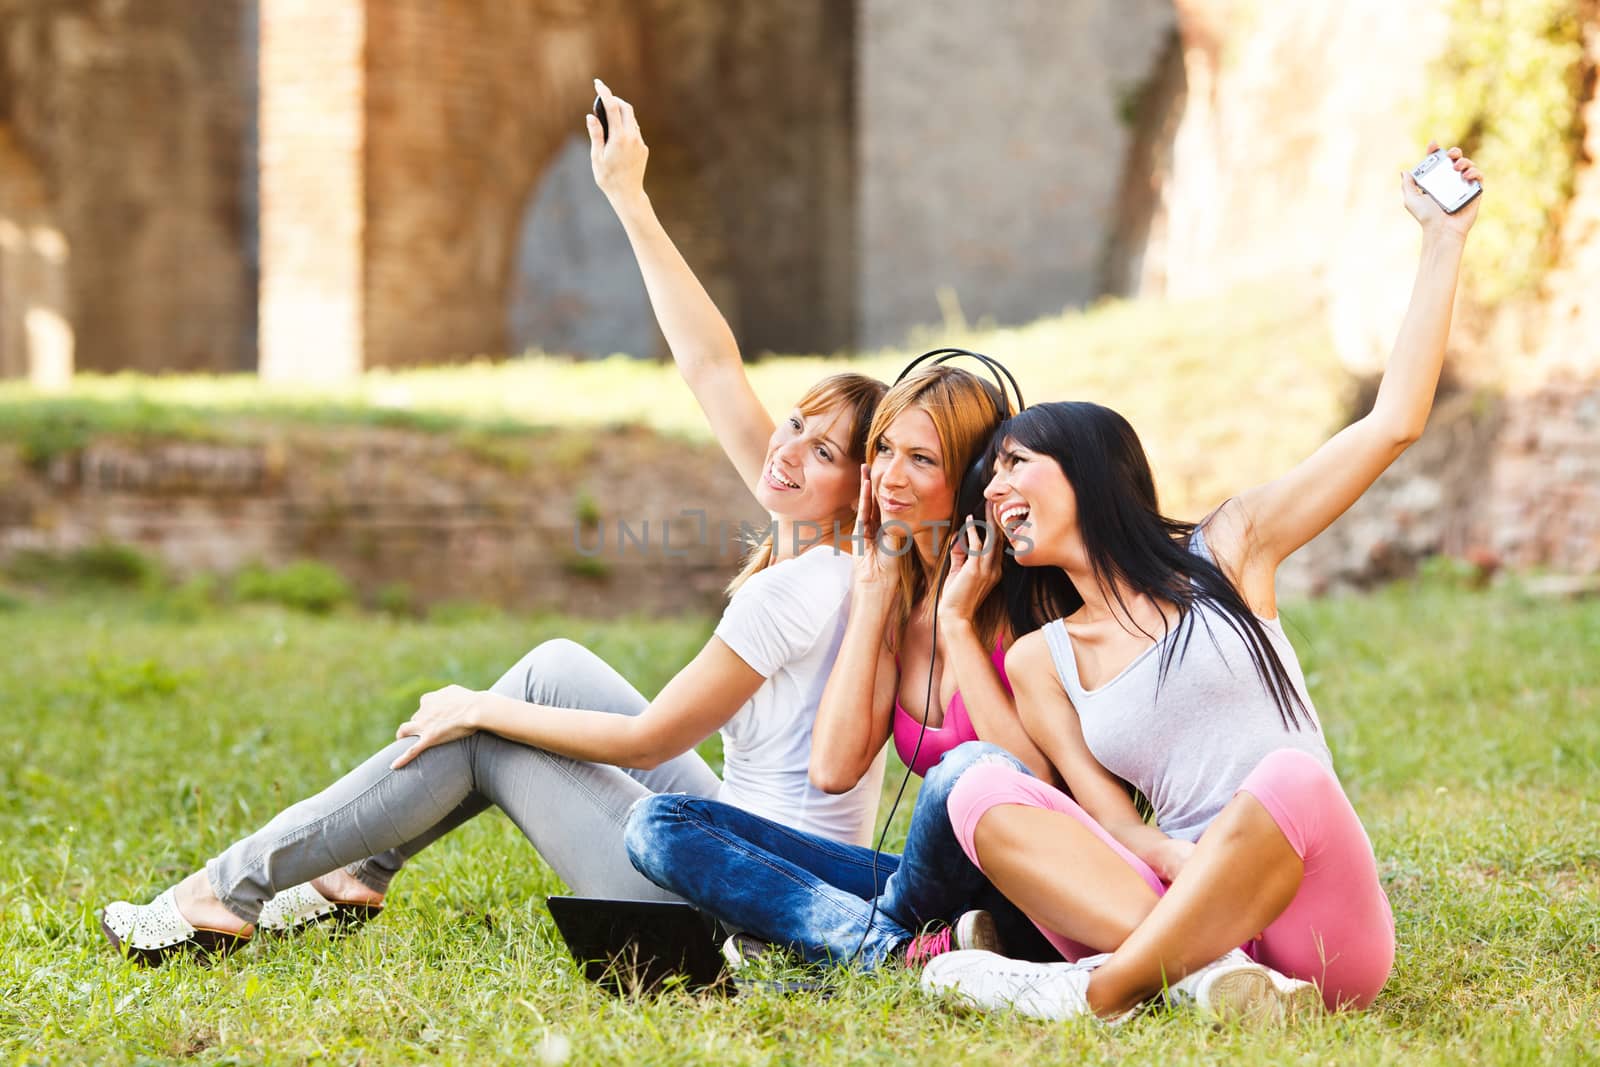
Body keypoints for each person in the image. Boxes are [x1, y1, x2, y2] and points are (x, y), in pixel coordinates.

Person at [97, 79, 888, 965]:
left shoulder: (794, 591)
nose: (787, 450)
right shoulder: (833, 548)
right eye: (795, 424)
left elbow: (652, 740)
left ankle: (225, 889)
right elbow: (709, 364)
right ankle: (352, 872)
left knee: (481, 733)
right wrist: (629, 195)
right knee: (551, 668)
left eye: (825, 453)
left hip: (733, 906)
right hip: (748, 846)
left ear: (861, 489)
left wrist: (485, 707)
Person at [919, 144, 1483, 1022]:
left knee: (1293, 776)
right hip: (1167, 898)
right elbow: (1101, 813)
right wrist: (958, 627)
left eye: (1014, 463)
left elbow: (1394, 422)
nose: (993, 489)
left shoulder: (1231, 549)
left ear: (1091, 469)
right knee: (976, 785)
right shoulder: (1041, 660)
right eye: (987, 477)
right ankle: (1206, 977)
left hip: (1313, 923)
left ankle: (1099, 988)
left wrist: (1443, 239)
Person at [625, 358, 1070, 969]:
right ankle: (896, 950)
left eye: (922, 459)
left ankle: (847, 940)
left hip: (1026, 890)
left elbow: (1034, 786)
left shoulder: (1027, 599)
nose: (890, 476)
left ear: (970, 480)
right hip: (935, 895)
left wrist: (959, 627)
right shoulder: (896, 596)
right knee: (660, 825)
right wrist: (874, 596)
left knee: (966, 771)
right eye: (884, 449)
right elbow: (833, 768)